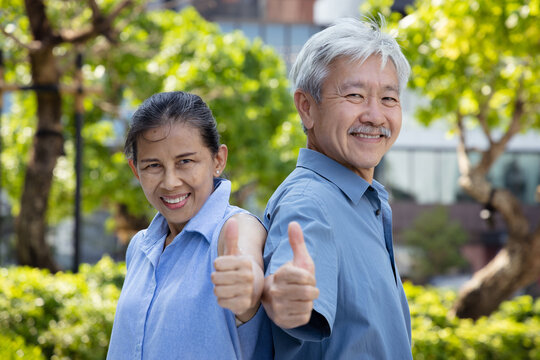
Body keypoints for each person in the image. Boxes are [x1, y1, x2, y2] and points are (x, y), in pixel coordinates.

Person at [261, 17, 413, 359]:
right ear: (307, 107)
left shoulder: (364, 200)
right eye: (355, 95)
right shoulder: (309, 202)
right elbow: (293, 288)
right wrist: (287, 296)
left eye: (389, 98)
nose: (375, 115)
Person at [107, 91, 271, 359]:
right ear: (136, 170)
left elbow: (246, 266)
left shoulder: (236, 229)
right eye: (153, 165)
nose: (170, 182)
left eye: (185, 161)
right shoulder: (140, 245)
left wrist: (247, 285)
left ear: (218, 160)